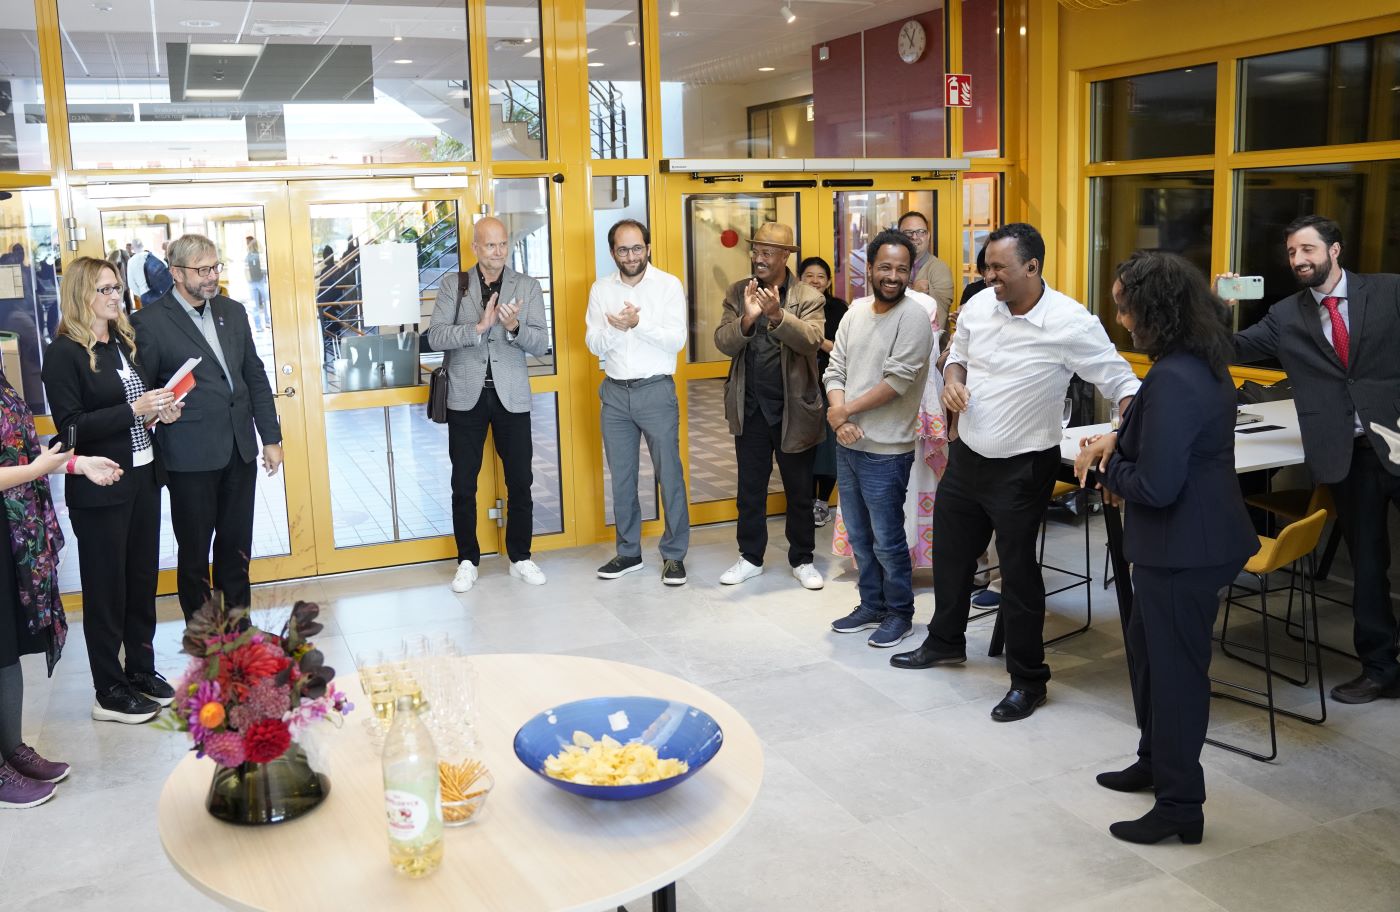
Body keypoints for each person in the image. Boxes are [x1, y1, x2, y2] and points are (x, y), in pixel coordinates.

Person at [891, 222, 1140, 723]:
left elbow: (1123, 384)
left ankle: (1029, 680)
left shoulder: (1070, 321)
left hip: (1024, 466)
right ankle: (945, 641)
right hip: (969, 455)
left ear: (1032, 266)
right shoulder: (981, 305)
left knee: (1018, 574)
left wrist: (1122, 439)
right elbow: (958, 357)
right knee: (952, 557)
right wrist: (952, 382)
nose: (989, 277)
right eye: (986, 267)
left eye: (999, 269)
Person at [1075, 251, 1258, 845]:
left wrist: (1107, 471)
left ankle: (1181, 806)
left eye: (1126, 308)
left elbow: (1156, 485)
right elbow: (1157, 443)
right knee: (1147, 655)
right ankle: (1154, 761)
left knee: (1176, 678)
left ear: (1154, 309)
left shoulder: (1176, 377)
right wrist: (1117, 440)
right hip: (1190, 538)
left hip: (1184, 547)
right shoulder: (1199, 362)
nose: (1122, 319)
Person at [1227, 214, 1400, 704]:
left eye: (1307, 249)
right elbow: (1229, 347)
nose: (1299, 260)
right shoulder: (1285, 316)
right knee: (1369, 567)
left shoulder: (1388, 291)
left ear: (1334, 249)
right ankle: (1382, 670)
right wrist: (1219, 308)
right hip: (1349, 457)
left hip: (1397, 439)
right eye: (1291, 253)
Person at [42, 256, 181, 723]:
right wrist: (133, 410)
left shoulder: (123, 341)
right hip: (100, 485)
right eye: (103, 289)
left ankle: (140, 670)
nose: (114, 296)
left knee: (141, 582)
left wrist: (159, 411)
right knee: (106, 591)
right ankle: (108, 689)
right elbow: (71, 427)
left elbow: (137, 411)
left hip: (143, 475)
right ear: (81, 295)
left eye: (116, 288)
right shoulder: (63, 353)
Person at [130, 234, 283, 620]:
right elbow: (143, 391)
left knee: (236, 547)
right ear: (177, 273)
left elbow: (254, 376)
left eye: (215, 267)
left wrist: (271, 437)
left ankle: (239, 631)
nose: (212, 276)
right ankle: (203, 637)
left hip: (239, 449)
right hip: (190, 455)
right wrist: (158, 412)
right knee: (195, 553)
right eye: (202, 270)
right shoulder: (148, 322)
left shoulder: (233, 311)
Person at [0, 366, 122, 806]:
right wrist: (37, 469)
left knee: (6, 645)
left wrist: (76, 463)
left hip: (12, 527)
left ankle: (10, 750)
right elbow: (23, 465)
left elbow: (18, 448)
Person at [428, 216, 550, 593]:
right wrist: (478, 328)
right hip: (466, 396)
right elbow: (435, 337)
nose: (498, 251)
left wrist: (514, 329)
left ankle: (520, 557)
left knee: (521, 481)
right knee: (463, 483)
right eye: (490, 244)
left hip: (511, 396)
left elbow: (541, 343)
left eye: (502, 244)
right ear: (475, 247)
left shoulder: (527, 286)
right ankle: (467, 560)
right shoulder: (454, 285)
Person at [825, 231, 936, 647]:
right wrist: (840, 418)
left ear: (910, 272)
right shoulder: (854, 313)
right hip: (848, 443)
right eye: (885, 267)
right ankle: (871, 604)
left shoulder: (913, 318)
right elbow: (835, 369)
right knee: (859, 536)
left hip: (887, 452)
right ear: (869, 268)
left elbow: (897, 382)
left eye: (901, 269)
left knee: (888, 540)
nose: (893, 276)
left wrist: (844, 412)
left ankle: (899, 613)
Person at [714, 222, 826, 591]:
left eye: (767, 252)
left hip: (795, 409)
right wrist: (748, 317)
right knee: (750, 489)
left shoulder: (808, 295)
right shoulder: (738, 291)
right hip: (750, 408)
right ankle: (750, 558)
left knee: (799, 490)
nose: (758, 258)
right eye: (756, 250)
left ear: (785, 256)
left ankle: (803, 559)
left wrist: (778, 315)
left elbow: (811, 340)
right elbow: (723, 342)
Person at [586, 219, 690, 586]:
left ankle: (674, 555)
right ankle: (628, 552)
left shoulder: (668, 285)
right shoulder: (601, 289)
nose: (630, 256)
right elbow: (593, 343)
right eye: (622, 249)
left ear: (648, 248)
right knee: (622, 478)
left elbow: (676, 340)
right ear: (612, 252)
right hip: (615, 393)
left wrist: (636, 324)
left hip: (656, 390)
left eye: (636, 248)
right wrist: (615, 329)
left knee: (669, 474)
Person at [797, 256, 848, 527]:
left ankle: (822, 502)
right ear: (800, 279)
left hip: (829, 384)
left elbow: (843, 349)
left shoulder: (838, 308)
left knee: (828, 448)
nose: (815, 280)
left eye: (821, 276)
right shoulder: (791, 307)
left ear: (828, 281)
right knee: (804, 446)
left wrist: (815, 339)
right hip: (798, 386)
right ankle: (804, 501)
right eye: (809, 275)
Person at [897, 211, 955, 331]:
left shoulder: (940, 269)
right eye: (908, 233)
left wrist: (910, 295)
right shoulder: (893, 267)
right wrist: (914, 292)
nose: (914, 237)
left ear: (928, 235)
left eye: (920, 232)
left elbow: (938, 320)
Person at [244, 236, 268, 332]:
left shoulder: (247, 257)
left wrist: (249, 281)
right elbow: (264, 269)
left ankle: (258, 326)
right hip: (261, 281)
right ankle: (267, 322)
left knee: (255, 305)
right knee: (266, 303)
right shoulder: (260, 255)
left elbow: (246, 271)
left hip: (252, 283)